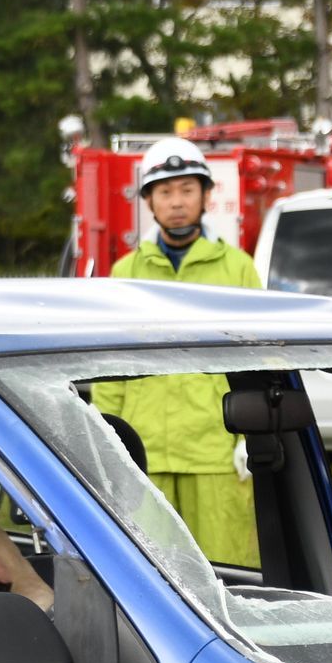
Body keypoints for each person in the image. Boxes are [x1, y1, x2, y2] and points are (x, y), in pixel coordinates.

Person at [92, 137, 261, 567]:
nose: (177, 202)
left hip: (215, 453)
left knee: (226, 576)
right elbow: (110, 368)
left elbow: (258, 359)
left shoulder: (236, 266)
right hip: (145, 453)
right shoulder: (126, 272)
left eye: (187, 189)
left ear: (206, 195)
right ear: (148, 201)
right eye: (165, 192)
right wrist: (110, 441)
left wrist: (251, 438)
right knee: (153, 575)